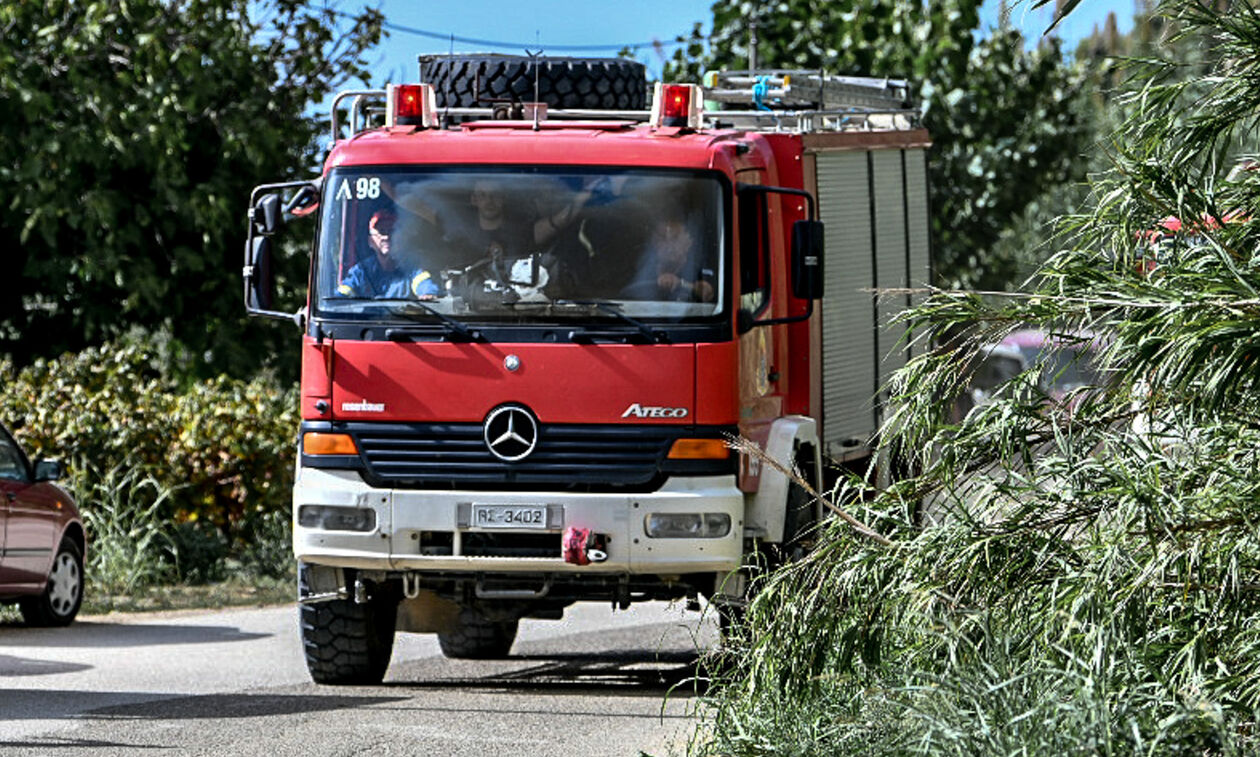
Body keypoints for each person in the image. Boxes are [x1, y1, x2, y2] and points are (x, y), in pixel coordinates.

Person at [337, 210, 440, 299]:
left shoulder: (411, 267)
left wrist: (427, 293)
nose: (386, 237)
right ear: (371, 241)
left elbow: (424, 282)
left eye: (391, 231)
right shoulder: (361, 271)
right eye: (381, 232)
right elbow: (343, 293)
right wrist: (337, 300)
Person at [625, 210, 716, 302]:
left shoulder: (698, 271)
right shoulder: (638, 271)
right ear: (654, 242)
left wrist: (681, 284)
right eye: (662, 237)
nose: (669, 244)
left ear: (689, 242)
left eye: (675, 237)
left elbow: (708, 293)